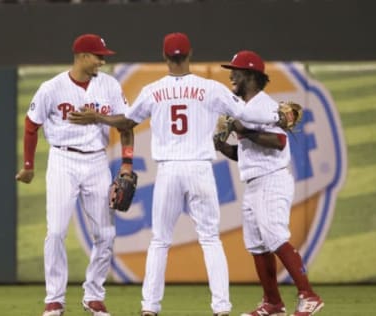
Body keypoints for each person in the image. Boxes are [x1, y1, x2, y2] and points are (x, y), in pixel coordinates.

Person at [69, 32, 280, 316]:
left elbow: (126, 121)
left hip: (169, 170)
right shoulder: (210, 88)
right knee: (210, 240)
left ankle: (150, 308)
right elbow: (248, 114)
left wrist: (98, 117)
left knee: (159, 241)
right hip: (200, 169)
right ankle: (221, 308)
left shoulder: (153, 90)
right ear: (190, 54)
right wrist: (278, 116)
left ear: (165, 57)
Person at [16, 33, 134, 316]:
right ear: (82, 56)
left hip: (96, 162)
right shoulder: (52, 88)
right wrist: (29, 166)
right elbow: (31, 125)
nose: (103, 61)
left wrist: (127, 163)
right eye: (98, 56)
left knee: (105, 234)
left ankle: (94, 295)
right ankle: (54, 299)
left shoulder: (109, 86)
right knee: (55, 231)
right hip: (62, 160)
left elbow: (127, 123)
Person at [214, 50, 324, 316]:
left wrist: (242, 130)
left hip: (272, 179)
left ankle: (309, 295)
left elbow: (279, 142)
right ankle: (273, 303)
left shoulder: (264, 106)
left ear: (251, 76)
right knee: (257, 244)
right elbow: (245, 154)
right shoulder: (247, 109)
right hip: (254, 182)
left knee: (274, 236)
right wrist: (221, 146)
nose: (231, 75)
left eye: (236, 71)